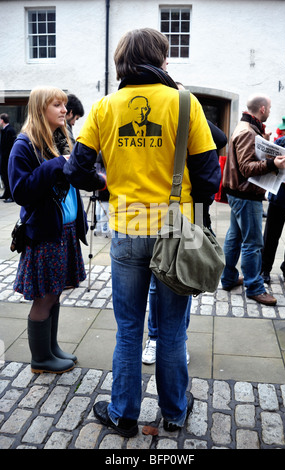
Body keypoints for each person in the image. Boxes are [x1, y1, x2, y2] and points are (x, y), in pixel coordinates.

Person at [64, 28, 221, 437]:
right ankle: (174, 412)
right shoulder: (186, 103)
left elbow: (77, 169)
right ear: (160, 57)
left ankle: (124, 413)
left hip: (128, 223)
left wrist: (108, 186)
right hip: (177, 223)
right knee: (171, 330)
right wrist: (198, 223)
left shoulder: (104, 107)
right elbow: (208, 176)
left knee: (130, 327)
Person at [8, 86, 89, 374]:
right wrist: (56, 164)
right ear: (41, 108)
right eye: (57, 105)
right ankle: (40, 359)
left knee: (55, 293)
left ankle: (51, 349)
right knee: (44, 296)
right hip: (43, 234)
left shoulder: (60, 139)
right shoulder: (24, 145)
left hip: (63, 229)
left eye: (64, 105)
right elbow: (20, 191)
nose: (64, 110)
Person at [142, 102, 227, 365]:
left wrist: (190, 109)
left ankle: (177, 341)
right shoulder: (156, 121)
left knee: (185, 274)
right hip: (153, 210)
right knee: (159, 282)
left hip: (192, 212)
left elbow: (221, 138)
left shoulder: (187, 113)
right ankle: (155, 338)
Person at [221, 94, 285, 306]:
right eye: (269, 108)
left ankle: (229, 278)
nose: (269, 111)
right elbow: (247, 168)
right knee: (253, 243)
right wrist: (273, 165)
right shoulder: (247, 132)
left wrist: (265, 141)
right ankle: (254, 287)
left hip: (239, 193)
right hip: (246, 195)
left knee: (234, 238)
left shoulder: (247, 128)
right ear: (262, 108)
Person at [261, 106, 285, 285]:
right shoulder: (282, 141)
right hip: (279, 196)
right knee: (270, 237)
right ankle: (265, 269)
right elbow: (267, 162)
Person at [0, 113, 16, 202]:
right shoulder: (5, 130)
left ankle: (11, 196)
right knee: (4, 177)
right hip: (4, 158)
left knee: (8, 177)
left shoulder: (10, 130)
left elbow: (10, 146)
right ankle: (6, 194)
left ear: (2, 120)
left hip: (7, 159)